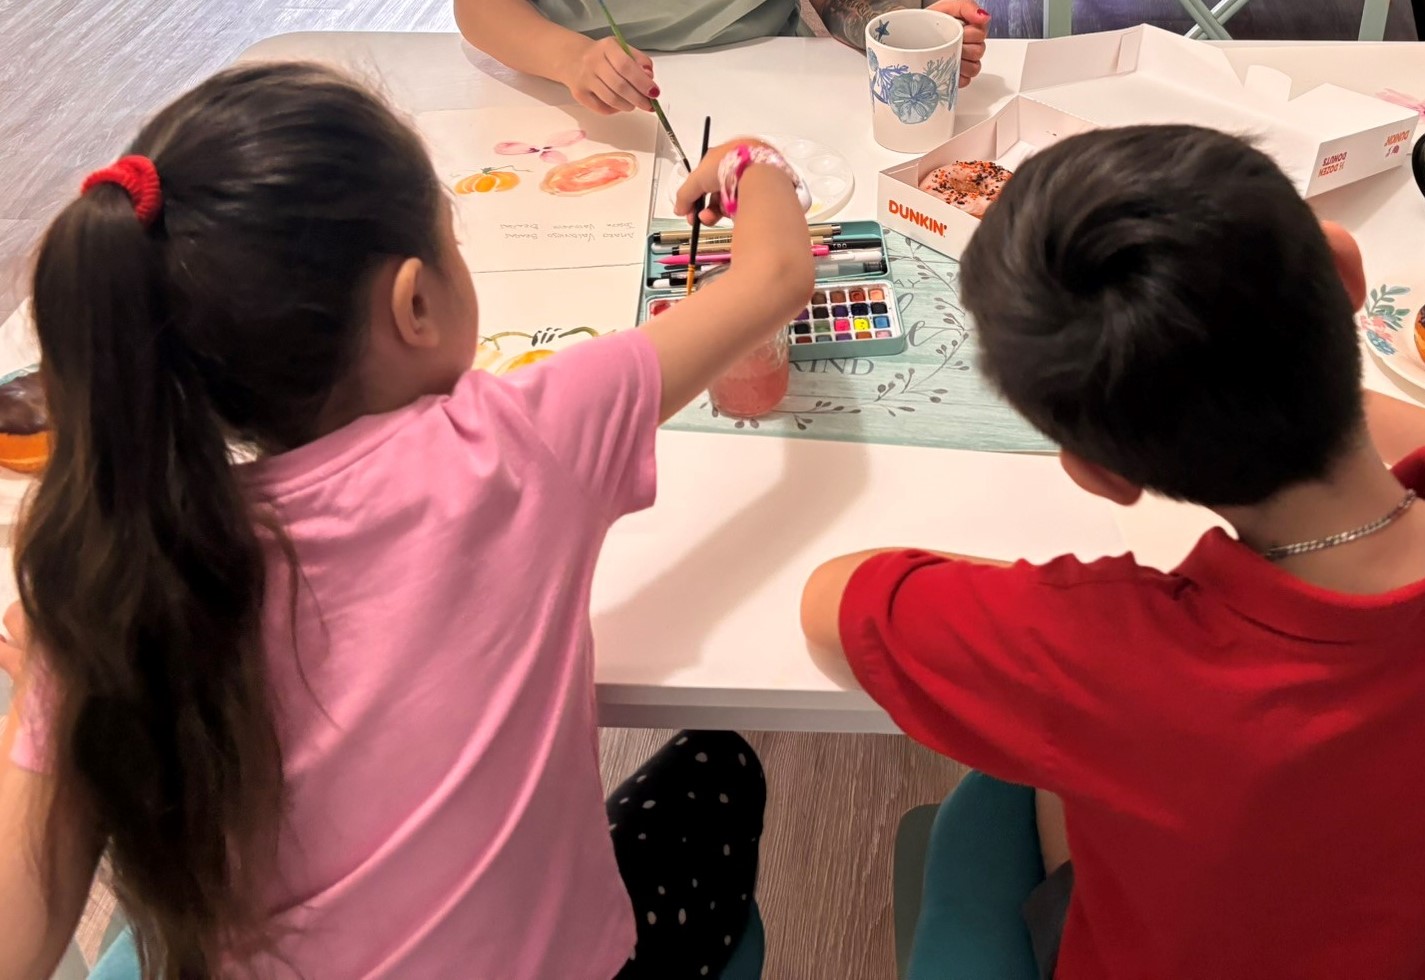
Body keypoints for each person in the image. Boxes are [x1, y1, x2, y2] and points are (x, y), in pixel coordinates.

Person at [0, 62, 814, 979]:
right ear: (415, 303)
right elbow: (777, 272)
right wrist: (751, 158)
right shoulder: (508, 446)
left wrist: (53, 675)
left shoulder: (109, 578)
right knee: (717, 767)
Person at [800, 124, 1425, 979]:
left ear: (1100, 475)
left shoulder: (1104, 654)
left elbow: (835, 603)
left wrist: (1073, 612)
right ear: (1344, 274)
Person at [455, 0, 991, 115]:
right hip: (551, 87)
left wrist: (897, 29)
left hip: (765, 76)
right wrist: (570, 59)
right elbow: (477, 9)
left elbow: (839, 4)